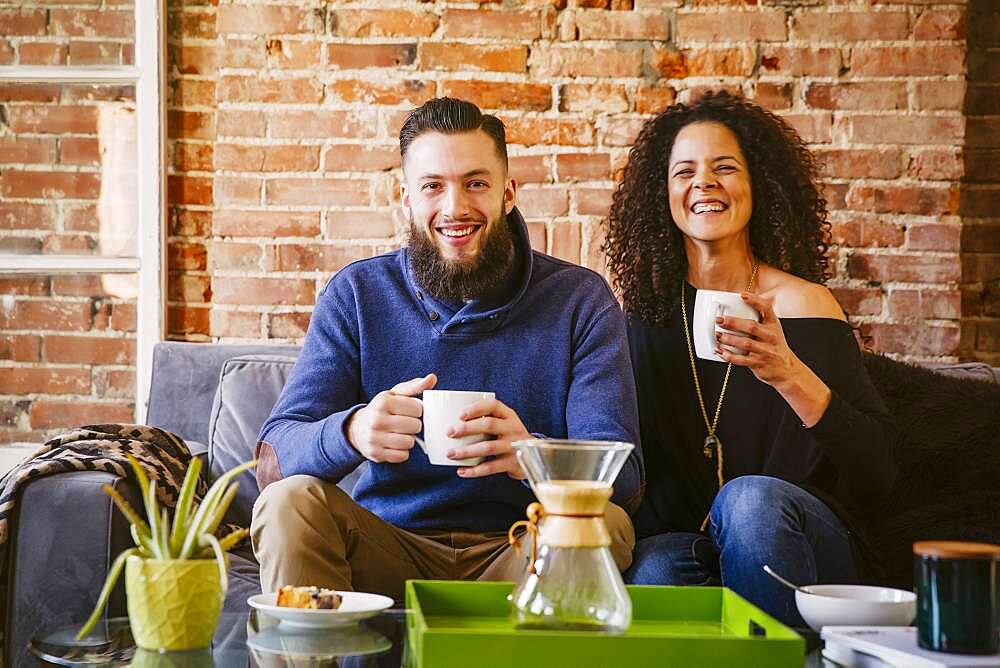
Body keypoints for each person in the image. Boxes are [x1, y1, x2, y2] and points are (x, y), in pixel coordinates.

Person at [251, 97, 642, 603]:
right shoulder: (357, 294)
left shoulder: (579, 300)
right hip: (387, 549)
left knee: (602, 522)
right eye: (433, 186)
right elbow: (273, 463)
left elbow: (625, 481)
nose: (455, 207)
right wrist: (352, 431)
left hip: (525, 548)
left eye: (475, 183)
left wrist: (532, 457)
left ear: (508, 193)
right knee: (288, 502)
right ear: (407, 198)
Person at [603, 91, 895, 627]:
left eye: (725, 168)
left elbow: (879, 470)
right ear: (660, 195)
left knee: (750, 501)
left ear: (758, 185)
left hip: (804, 540)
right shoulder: (644, 320)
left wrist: (788, 372)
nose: (704, 183)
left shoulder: (804, 305)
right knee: (654, 568)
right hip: (695, 543)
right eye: (684, 171)